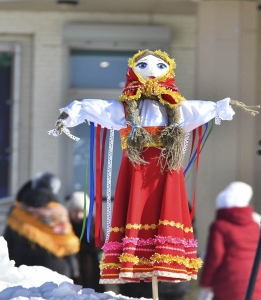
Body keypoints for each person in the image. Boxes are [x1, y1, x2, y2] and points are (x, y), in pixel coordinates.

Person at [48, 49, 259, 286]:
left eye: (159, 67)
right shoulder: (127, 108)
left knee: (165, 211)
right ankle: (138, 261)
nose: (151, 75)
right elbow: (99, 108)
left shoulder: (176, 107)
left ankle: (164, 260)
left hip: (166, 169)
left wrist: (220, 106)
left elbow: (199, 109)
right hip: (137, 169)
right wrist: (73, 112)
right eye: (144, 67)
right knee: (138, 212)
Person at [3, 172, 80, 279]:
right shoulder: (58, 212)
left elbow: (7, 243)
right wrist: (74, 271)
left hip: (23, 271)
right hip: (56, 271)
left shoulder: (17, 212)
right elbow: (68, 244)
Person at [198, 181, 261, 300]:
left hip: (228, 284)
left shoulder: (220, 226)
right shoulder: (255, 224)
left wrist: (206, 282)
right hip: (255, 283)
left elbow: (214, 256)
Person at [66, 191, 105, 292]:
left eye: (81, 211)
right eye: (75, 211)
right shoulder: (66, 226)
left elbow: (100, 244)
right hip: (71, 268)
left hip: (91, 269)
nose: (79, 215)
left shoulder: (94, 225)